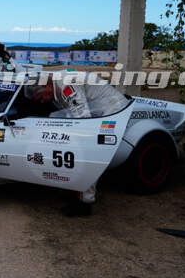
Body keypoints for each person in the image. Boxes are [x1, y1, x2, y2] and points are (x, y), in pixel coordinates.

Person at [24, 72, 129, 216]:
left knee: (83, 154)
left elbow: (82, 119)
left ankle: (85, 202)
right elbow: (69, 113)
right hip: (99, 112)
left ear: (45, 85)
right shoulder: (57, 85)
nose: (42, 101)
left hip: (112, 112)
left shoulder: (67, 85)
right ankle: (76, 191)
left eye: (41, 97)